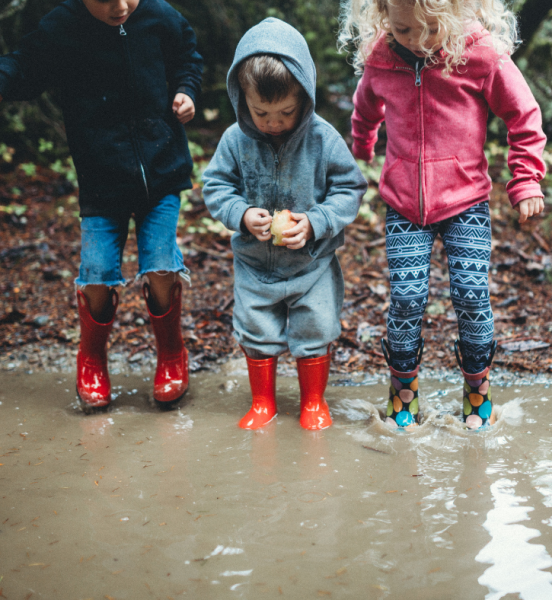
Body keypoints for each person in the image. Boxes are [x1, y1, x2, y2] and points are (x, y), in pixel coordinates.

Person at [339, 0, 546, 429]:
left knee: (471, 295)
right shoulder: (381, 57)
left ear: (454, 14)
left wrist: (525, 180)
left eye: (429, 30)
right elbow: (365, 109)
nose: (416, 42)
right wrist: (359, 150)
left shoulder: (480, 54)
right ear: (382, 16)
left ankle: (477, 392)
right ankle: (404, 393)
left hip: (466, 199)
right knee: (407, 299)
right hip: (402, 203)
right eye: (402, 30)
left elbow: (522, 116)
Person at [0, 0, 203, 410]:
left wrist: (186, 90)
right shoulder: (63, 27)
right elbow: (23, 69)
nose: (121, 6)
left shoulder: (160, 17)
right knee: (96, 273)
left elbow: (187, 55)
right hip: (102, 179)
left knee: (161, 263)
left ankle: (171, 354)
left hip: (160, 172)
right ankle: (91, 359)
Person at [202, 18, 367, 431]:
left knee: (315, 327)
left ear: (305, 97)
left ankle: (313, 401)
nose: (273, 123)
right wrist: (240, 214)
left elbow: (350, 188)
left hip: (311, 265)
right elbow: (216, 185)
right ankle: (263, 403)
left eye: (286, 112)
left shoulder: (323, 140)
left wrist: (315, 222)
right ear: (242, 99)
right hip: (255, 264)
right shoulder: (234, 141)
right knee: (256, 330)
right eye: (261, 113)